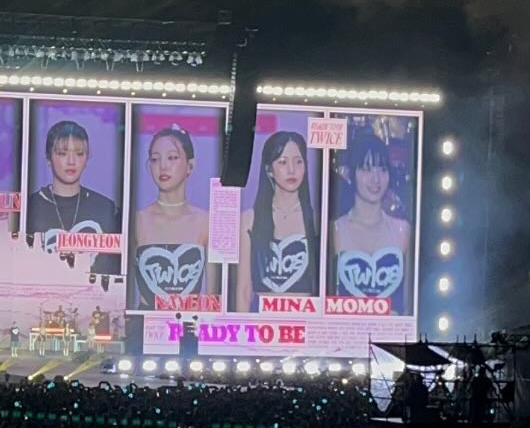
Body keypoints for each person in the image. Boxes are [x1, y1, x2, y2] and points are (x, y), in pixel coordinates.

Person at [132, 127, 217, 311]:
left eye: (172, 158)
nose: (163, 166)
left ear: (190, 166)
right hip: (144, 324)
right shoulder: (137, 221)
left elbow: (213, 298)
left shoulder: (205, 222)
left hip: (191, 323)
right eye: (155, 159)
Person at [236, 129, 319, 312]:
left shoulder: (316, 221)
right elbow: (244, 290)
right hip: (262, 324)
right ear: (269, 170)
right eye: (282, 162)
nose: (292, 170)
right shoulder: (249, 220)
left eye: (298, 161)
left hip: (305, 322)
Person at [331, 128, 411, 310]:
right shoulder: (336, 231)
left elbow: (408, 306)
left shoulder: (403, 231)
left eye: (382, 169)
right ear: (350, 173)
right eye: (366, 169)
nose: (376, 179)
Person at [25, 119, 121, 269]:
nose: (71, 161)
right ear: (48, 158)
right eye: (62, 153)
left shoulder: (106, 209)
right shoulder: (30, 208)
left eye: (79, 154)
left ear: (87, 159)